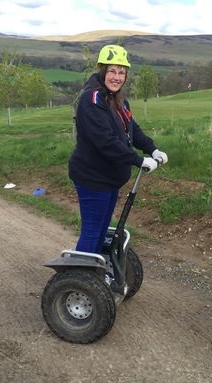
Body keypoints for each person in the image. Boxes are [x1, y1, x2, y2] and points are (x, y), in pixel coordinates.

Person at [68, 44, 168, 254]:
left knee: (103, 228)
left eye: (122, 72)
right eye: (112, 71)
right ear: (102, 71)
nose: (117, 77)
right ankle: (81, 280)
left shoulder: (118, 100)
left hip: (110, 178)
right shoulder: (92, 100)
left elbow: (133, 129)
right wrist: (138, 160)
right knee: (93, 230)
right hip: (93, 178)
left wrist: (153, 149)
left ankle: (94, 273)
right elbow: (106, 141)